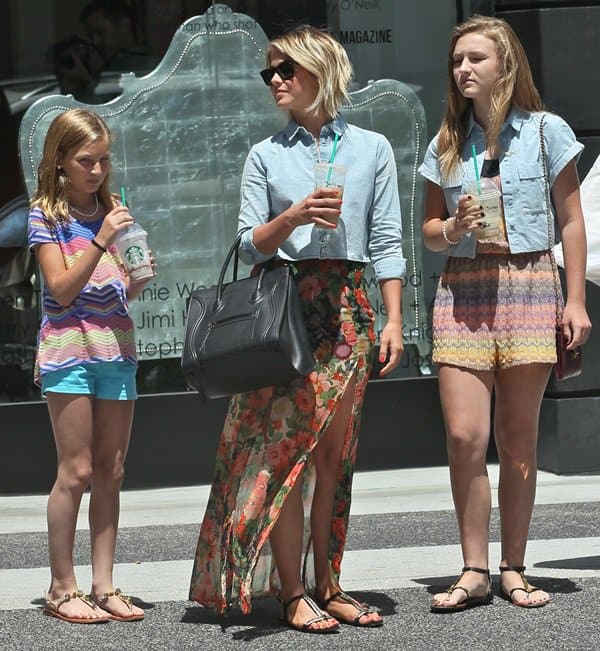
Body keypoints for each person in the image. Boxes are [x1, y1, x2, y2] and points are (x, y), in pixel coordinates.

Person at [189, 25, 405, 633]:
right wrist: (292, 216)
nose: (276, 81)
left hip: (349, 306)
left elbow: (387, 240)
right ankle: (290, 592)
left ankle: (328, 583)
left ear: (322, 71)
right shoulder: (267, 154)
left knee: (334, 454)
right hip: (284, 310)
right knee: (286, 457)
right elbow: (246, 245)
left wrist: (393, 318)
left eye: (288, 69)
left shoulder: (372, 148)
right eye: (270, 73)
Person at [419, 15, 591, 612]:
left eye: (475, 58)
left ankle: (513, 566)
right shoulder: (445, 141)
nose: (463, 69)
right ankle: (472, 568)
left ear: (505, 64)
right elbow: (429, 234)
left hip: (529, 282)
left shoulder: (546, 132)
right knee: (466, 436)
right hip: (464, 289)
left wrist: (575, 299)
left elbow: (571, 219)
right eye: (457, 60)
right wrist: (451, 226)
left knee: (518, 439)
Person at [28, 108, 154, 623]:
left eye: (104, 159)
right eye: (86, 160)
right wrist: (102, 237)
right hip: (69, 350)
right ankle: (62, 586)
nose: (98, 170)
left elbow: (120, 282)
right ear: (60, 160)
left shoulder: (115, 208)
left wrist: (137, 274)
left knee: (112, 471)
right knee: (75, 471)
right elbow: (59, 289)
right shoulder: (46, 216)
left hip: (115, 349)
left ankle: (104, 585)